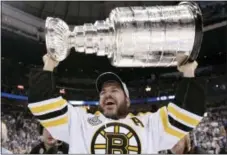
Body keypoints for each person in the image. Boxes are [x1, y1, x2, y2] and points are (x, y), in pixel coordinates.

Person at [28, 53, 205, 154]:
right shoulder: (81, 122)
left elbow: (186, 113)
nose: (107, 95)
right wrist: (49, 65)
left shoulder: (148, 125)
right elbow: (44, 104)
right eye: (103, 92)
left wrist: (188, 72)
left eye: (114, 90)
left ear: (127, 100)